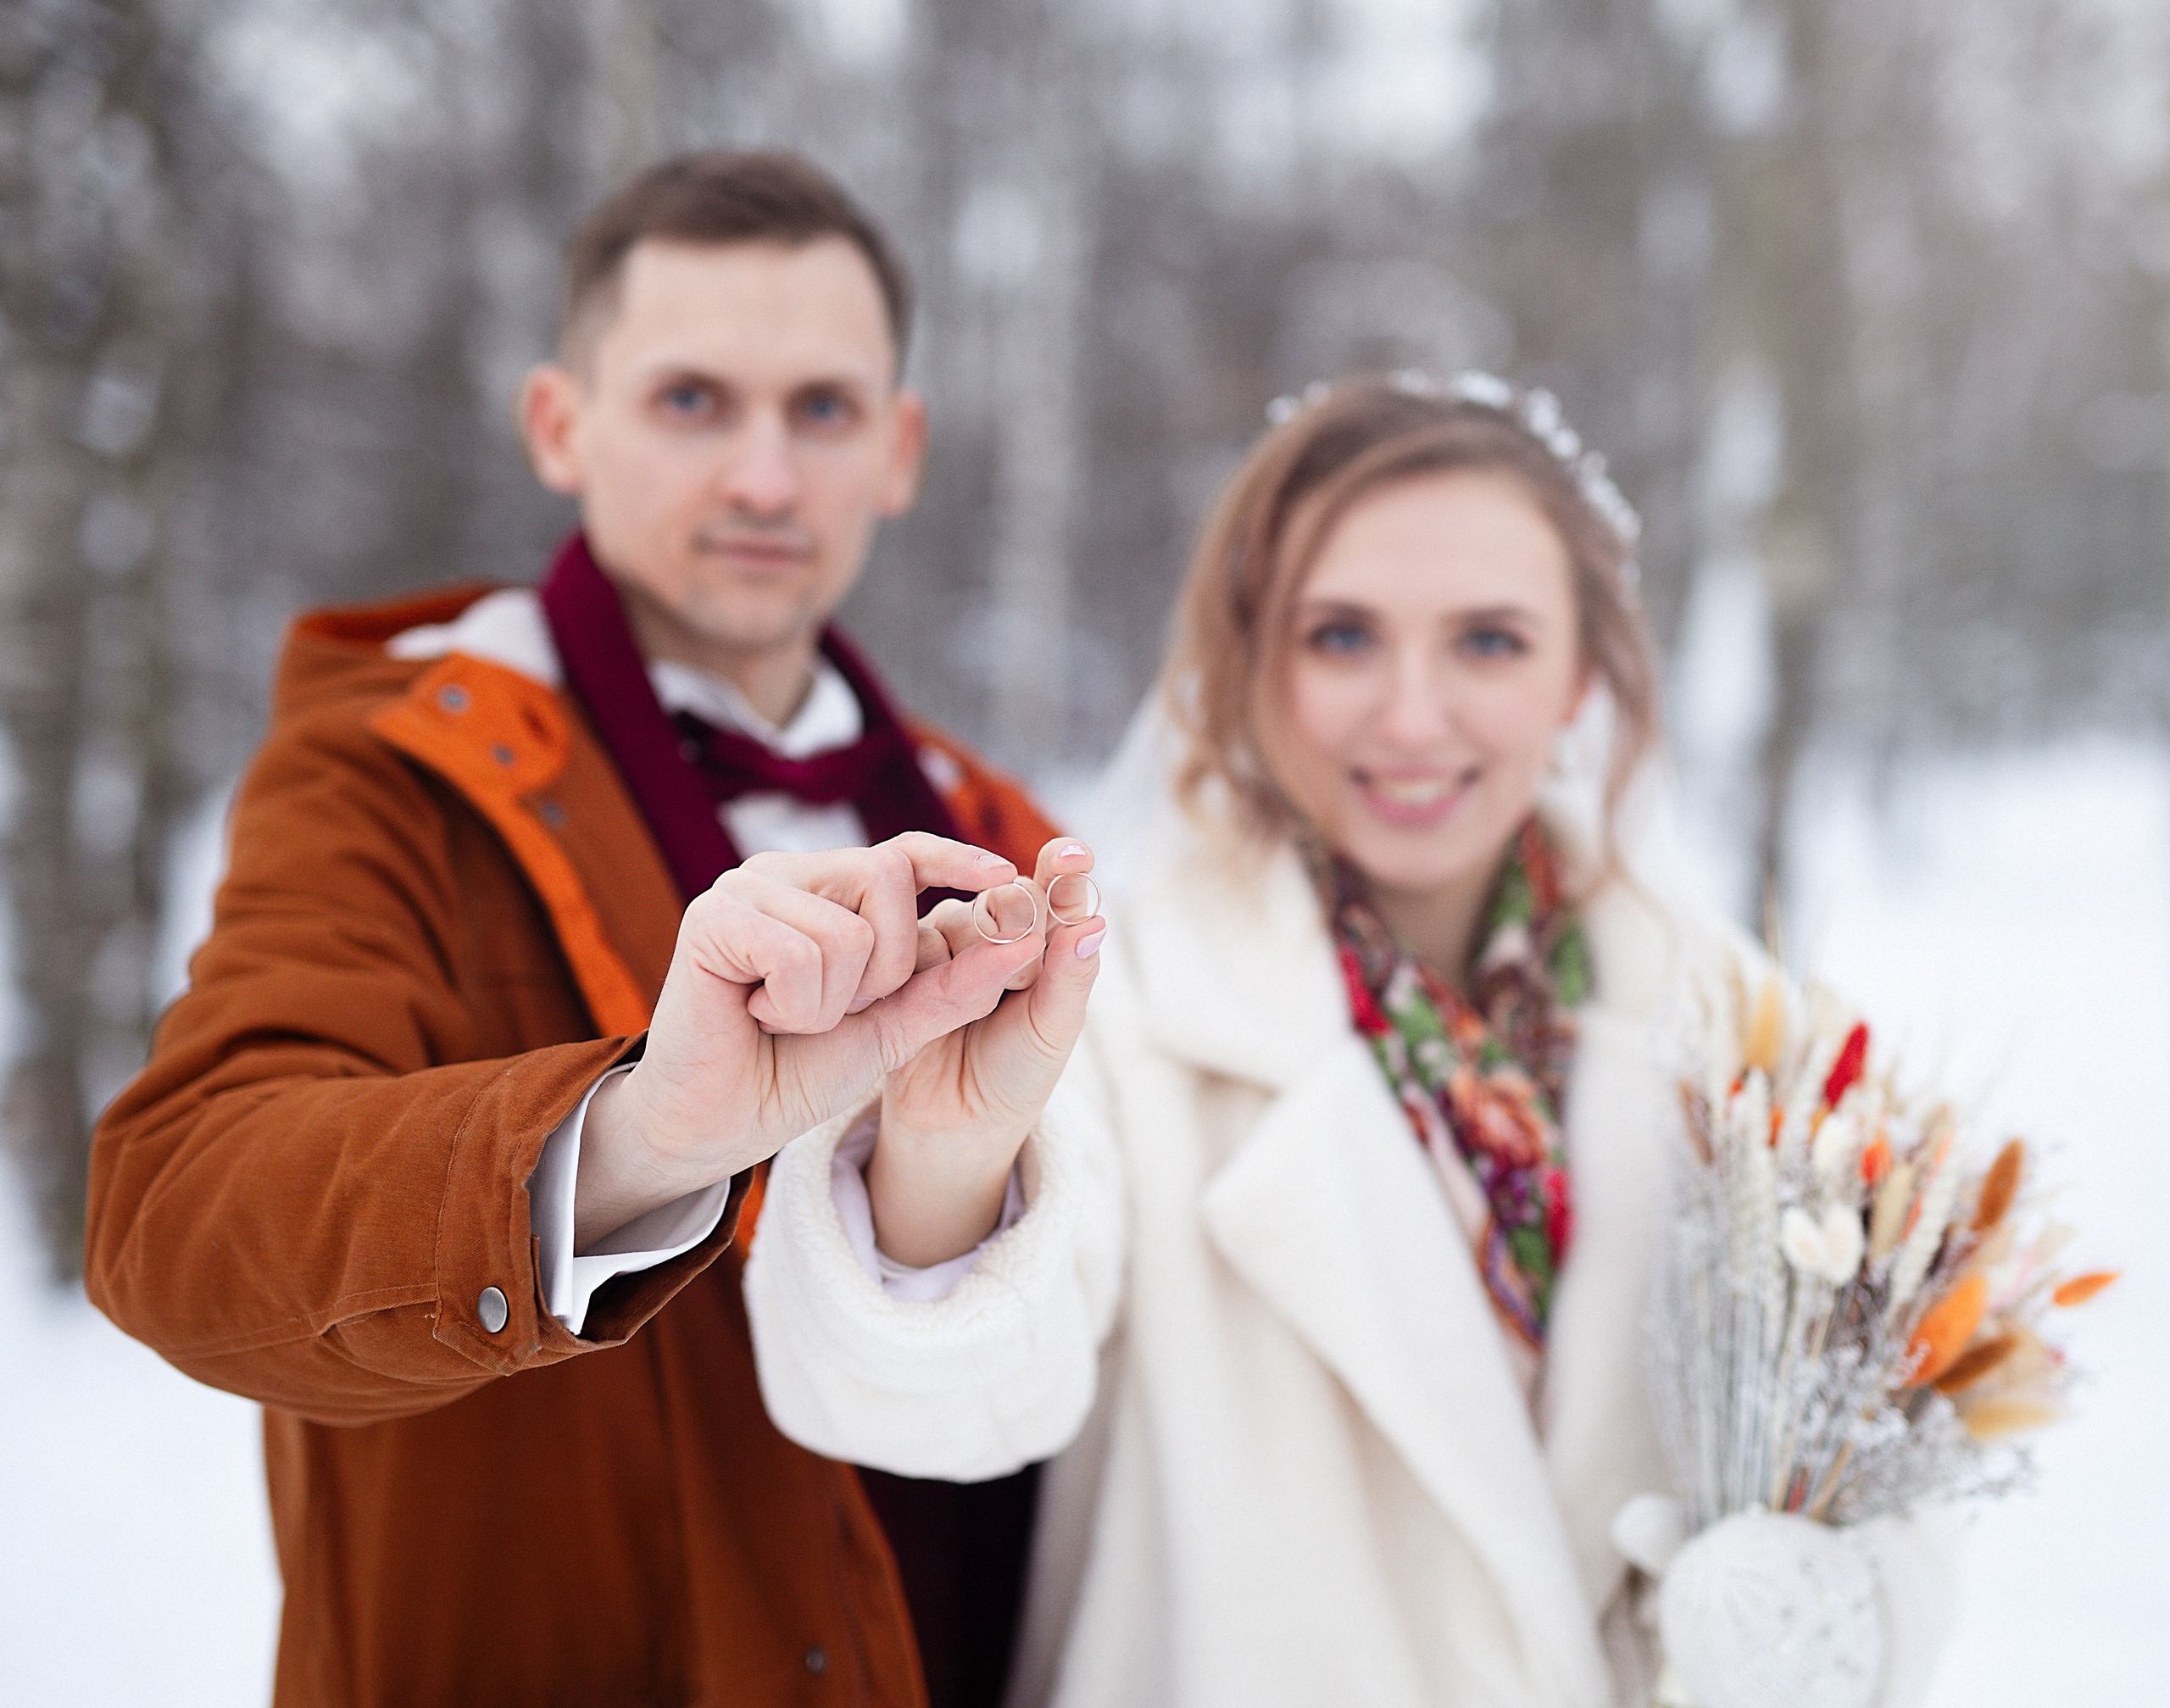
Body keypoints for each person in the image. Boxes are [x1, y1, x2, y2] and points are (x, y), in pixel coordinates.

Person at [742, 373, 1959, 1706]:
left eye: (1489, 642)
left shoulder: (1757, 1042)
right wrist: (938, 1162)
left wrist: (1829, 1618)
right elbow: (930, 1401)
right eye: (1342, 639)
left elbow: (1904, 1494)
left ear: (1582, 678)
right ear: (1249, 658)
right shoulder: (1115, 1001)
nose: (1413, 715)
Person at [86, 149, 1105, 1708]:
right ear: (563, 425)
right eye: (693, 401)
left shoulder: (1006, 839)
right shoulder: (390, 772)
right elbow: (177, 1221)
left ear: (899, 451)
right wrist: (628, 1141)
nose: (764, 478)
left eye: (822, 410)